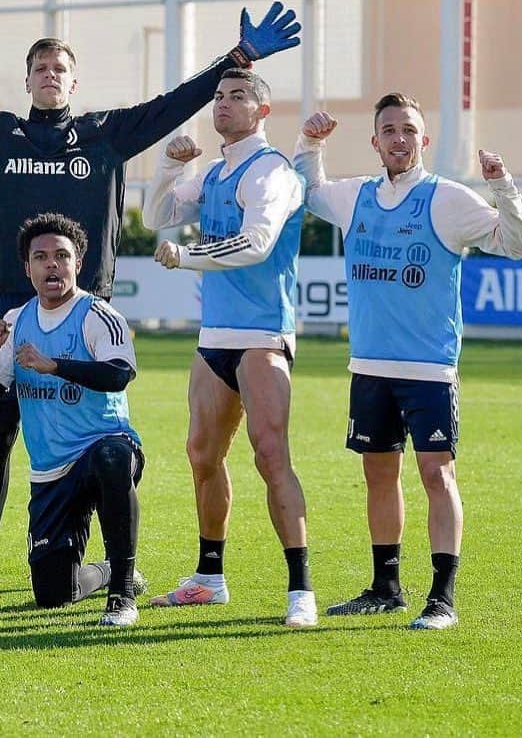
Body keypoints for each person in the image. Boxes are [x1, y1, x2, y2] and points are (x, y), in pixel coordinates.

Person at [0, 0, 300, 593]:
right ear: (28, 80)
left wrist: (238, 58)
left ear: (73, 80)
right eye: (39, 66)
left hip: (86, 314)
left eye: (58, 66)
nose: (48, 73)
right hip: (14, 314)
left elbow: (176, 102)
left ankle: (88, 559)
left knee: (91, 436)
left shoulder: (105, 135)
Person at [292, 94, 522, 630]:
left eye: (408, 130)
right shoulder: (357, 196)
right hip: (370, 367)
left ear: (423, 141)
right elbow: (307, 192)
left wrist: (503, 186)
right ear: (375, 141)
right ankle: (385, 587)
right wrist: (310, 143)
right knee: (379, 473)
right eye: (388, 130)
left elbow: (517, 245)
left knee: (436, 473)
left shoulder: (447, 199)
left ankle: (442, 597)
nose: (399, 139)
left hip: (428, 368)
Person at [143, 67, 317, 628]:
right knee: (201, 456)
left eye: (238, 96)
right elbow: (155, 217)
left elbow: (258, 244)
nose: (223, 104)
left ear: (262, 112)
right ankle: (210, 578)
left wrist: (188, 256)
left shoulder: (272, 173)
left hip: (262, 335)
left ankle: (300, 590)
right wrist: (169, 166)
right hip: (214, 337)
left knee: (271, 457)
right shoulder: (216, 172)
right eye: (219, 96)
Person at [0, 213, 144, 627]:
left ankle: (121, 594)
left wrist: (55, 366)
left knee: (111, 456)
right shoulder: (15, 322)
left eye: (62, 256)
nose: (53, 265)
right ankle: (105, 573)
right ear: (27, 268)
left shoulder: (98, 315)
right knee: (52, 595)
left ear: (78, 264)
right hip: (51, 472)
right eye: (41, 257)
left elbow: (119, 374)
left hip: (103, 450)